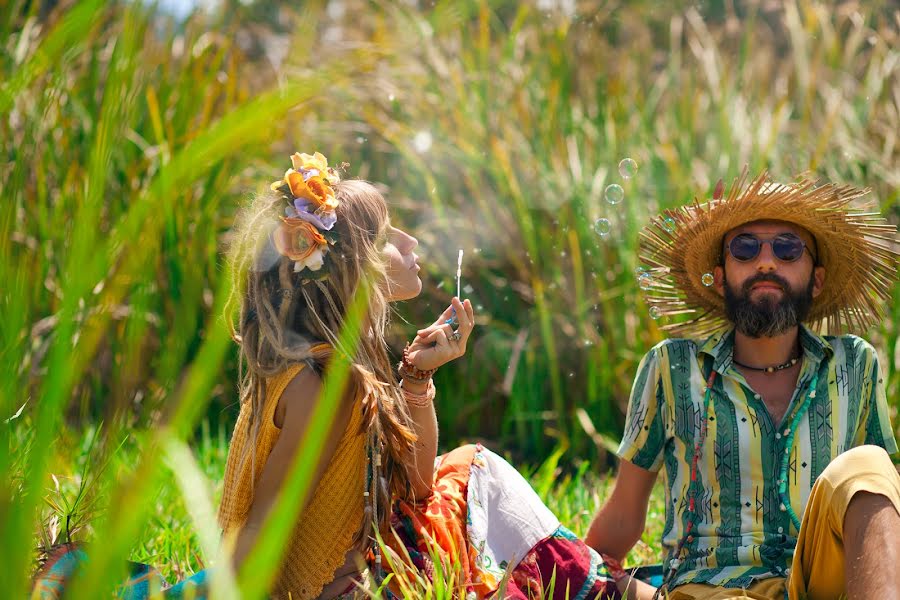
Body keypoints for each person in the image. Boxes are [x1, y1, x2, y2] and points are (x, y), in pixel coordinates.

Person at [33, 151, 620, 599]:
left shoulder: (334, 367)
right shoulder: (321, 387)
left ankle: (607, 586)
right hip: (358, 585)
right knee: (482, 470)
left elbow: (413, 486)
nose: (413, 243)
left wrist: (416, 377)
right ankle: (608, 588)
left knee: (472, 467)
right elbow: (263, 527)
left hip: (372, 559)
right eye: (390, 237)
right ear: (352, 271)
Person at [584, 171, 900, 600]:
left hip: (820, 580)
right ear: (721, 274)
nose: (766, 262)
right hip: (712, 588)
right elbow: (619, 523)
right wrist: (578, 569)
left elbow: (880, 512)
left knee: (870, 465)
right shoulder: (672, 368)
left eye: (788, 248)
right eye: (745, 248)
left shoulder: (854, 364)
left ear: (817, 278)